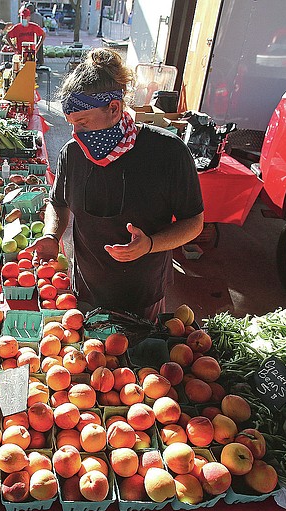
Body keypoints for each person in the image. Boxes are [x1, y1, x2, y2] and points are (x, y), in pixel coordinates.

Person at [30, 49, 204, 321]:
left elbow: (193, 222)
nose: (77, 134)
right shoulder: (72, 153)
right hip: (85, 289)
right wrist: (52, 235)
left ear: (114, 108)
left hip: (143, 292)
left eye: (84, 123)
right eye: (72, 125)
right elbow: (58, 202)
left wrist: (150, 244)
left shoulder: (168, 152)